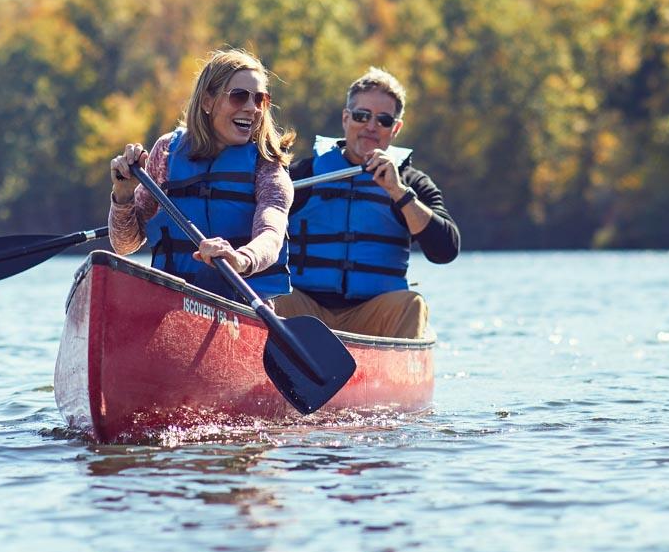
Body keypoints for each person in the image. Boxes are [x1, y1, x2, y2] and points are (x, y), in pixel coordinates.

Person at [274, 67, 459, 339]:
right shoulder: (303, 175)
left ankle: (392, 378)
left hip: (375, 316)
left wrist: (399, 192)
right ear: (346, 119)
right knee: (270, 293)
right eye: (362, 116)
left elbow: (445, 250)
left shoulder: (412, 183)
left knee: (413, 304)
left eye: (383, 120)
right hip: (305, 310)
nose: (371, 126)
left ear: (395, 128)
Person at [106, 48, 295, 303]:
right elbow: (125, 244)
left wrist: (241, 259)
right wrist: (124, 194)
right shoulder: (166, 153)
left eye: (260, 99)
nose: (252, 108)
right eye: (239, 97)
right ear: (207, 101)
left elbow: (271, 234)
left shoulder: (267, 164)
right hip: (171, 303)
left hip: (240, 303)